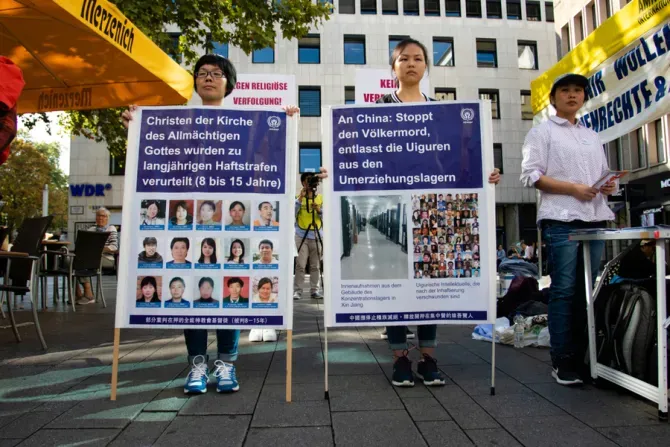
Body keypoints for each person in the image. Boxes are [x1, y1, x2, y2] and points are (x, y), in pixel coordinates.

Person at [122, 53, 328, 395]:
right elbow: (159, 154)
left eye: (215, 73)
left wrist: (286, 126)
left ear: (228, 83)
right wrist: (136, 125)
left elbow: (264, 161)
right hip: (192, 222)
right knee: (193, 297)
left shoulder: (245, 124)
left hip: (232, 224)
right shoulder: (180, 123)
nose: (208, 78)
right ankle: (197, 366)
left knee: (229, 296)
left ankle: (226, 364)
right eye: (202, 73)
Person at [376, 38, 501, 388]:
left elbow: (458, 161)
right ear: (394, 67)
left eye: (418, 58)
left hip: (431, 210)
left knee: (429, 285)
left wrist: (485, 174)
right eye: (404, 59)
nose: (411, 64)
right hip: (394, 207)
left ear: (426, 66)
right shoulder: (379, 109)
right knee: (399, 287)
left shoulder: (442, 111)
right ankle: (401, 358)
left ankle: (428, 358)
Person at [520, 72, 617, 386]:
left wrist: (608, 185)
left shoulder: (592, 135)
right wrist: (572, 189)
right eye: (565, 91)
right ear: (553, 98)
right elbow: (531, 176)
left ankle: (584, 359)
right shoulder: (542, 132)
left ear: (583, 98)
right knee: (563, 291)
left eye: (578, 91)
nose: (572, 95)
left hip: (595, 217)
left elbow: (600, 177)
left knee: (586, 291)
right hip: (561, 217)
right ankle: (562, 361)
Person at [75, 207, 118, 305]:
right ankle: (78, 294)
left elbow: (114, 247)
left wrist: (96, 249)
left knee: (82, 261)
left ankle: (89, 294)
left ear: (108, 218)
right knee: (71, 262)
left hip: (106, 258)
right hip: (90, 258)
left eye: (103, 216)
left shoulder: (111, 228)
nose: (100, 218)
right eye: (98, 215)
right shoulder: (91, 229)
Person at [293, 173, 323, 300]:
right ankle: (298, 291)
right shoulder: (297, 198)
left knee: (315, 265)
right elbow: (291, 214)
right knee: (300, 264)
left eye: (312, 181)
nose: (309, 184)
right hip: (301, 235)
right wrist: (300, 198)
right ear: (303, 183)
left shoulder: (320, 198)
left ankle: (315, 290)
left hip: (316, 234)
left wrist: (319, 210)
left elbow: (328, 217)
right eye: (307, 181)